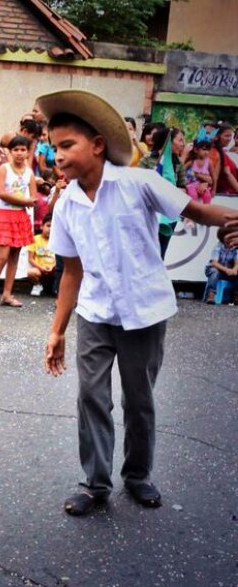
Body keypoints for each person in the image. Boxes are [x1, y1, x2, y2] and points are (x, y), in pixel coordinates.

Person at [39, 89, 238, 517]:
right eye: (54, 147)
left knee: (138, 398)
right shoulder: (66, 205)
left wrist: (232, 221)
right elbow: (71, 272)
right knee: (91, 396)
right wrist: (56, 330)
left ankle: (138, 475)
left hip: (144, 311)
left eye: (67, 145)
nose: (57, 155)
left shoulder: (139, 183)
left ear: (96, 145)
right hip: (95, 313)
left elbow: (199, 212)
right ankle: (94, 483)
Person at [0, 135, 36, 308]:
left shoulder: (29, 172)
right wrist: (25, 201)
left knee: (14, 257)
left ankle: (7, 294)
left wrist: (27, 201)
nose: (20, 153)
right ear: (10, 152)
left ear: (27, 152)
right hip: (5, 215)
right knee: (2, 257)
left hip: (20, 216)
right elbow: (1, 193)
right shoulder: (4, 168)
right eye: (16, 150)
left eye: (23, 149)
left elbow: (33, 197)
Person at [139, 126, 187, 259]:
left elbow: (183, 187)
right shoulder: (147, 159)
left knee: (160, 253)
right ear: (169, 141)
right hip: (148, 212)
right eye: (180, 140)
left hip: (168, 213)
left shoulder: (178, 163)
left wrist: (171, 192)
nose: (183, 144)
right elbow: (138, 183)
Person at [204, 226, 238, 304]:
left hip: (228, 271)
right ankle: (211, 295)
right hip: (215, 269)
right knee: (214, 272)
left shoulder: (236, 248)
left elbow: (237, 262)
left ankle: (236, 296)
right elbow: (214, 263)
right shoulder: (218, 246)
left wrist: (234, 270)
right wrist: (226, 269)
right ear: (222, 237)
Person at [27, 213, 55, 297]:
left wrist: (53, 267)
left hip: (54, 270)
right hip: (40, 269)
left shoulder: (57, 241)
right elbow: (30, 259)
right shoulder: (35, 239)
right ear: (41, 226)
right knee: (31, 272)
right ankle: (37, 285)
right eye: (48, 225)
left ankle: (56, 288)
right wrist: (41, 268)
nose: (50, 229)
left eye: (53, 227)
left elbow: (61, 260)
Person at [183, 139, 213, 204]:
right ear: (196, 150)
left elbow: (213, 178)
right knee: (193, 195)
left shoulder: (208, 162)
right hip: (190, 184)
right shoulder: (192, 162)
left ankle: (206, 212)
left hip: (203, 185)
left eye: (208, 150)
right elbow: (182, 170)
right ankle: (194, 211)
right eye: (204, 149)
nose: (206, 152)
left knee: (207, 195)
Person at [211, 122, 238, 195]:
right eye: (226, 136)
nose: (229, 139)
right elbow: (227, 173)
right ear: (217, 136)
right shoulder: (215, 152)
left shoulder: (222, 151)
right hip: (227, 195)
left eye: (230, 136)